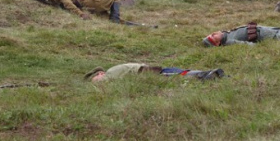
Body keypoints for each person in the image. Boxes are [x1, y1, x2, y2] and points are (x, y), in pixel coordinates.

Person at [202, 22, 280, 47]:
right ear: (217, 43)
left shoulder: (228, 34)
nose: (213, 33)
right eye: (212, 36)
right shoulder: (229, 41)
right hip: (268, 36)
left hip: (269, 30)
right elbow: (248, 45)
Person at [84, 63, 225, 82]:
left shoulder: (108, 75)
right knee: (179, 72)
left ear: (99, 74)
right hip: (149, 69)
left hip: (146, 72)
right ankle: (209, 74)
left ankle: (205, 75)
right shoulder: (111, 71)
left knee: (178, 75)